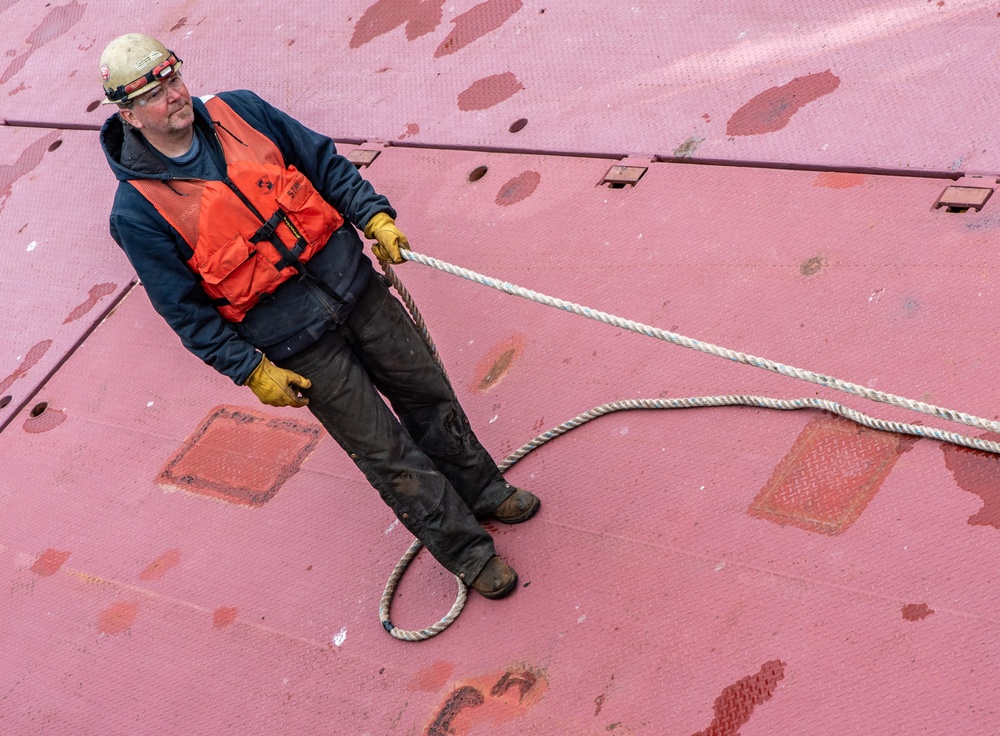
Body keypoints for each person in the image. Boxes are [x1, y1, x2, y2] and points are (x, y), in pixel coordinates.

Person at [98, 33, 539, 599]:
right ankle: (470, 554)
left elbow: (323, 164)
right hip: (298, 346)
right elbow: (183, 311)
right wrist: (251, 370)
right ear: (129, 114)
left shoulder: (243, 111)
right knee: (384, 450)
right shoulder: (137, 210)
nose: (175, 96)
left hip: (357, 288)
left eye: (174, 78)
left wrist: (373, 215)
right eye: (155, 93)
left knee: (428, 392)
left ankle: (483, 489)